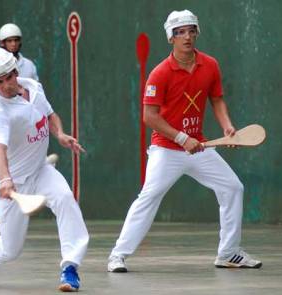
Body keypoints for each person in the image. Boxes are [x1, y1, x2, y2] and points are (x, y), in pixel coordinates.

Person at [107, 10, 262, 272]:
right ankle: (117, 255)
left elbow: (217, 99)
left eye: (191, 30)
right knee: (149, 195)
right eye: (180, 33)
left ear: (197, 33)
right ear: (171, 38)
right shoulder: (159, 73)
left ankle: (228, 252)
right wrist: (181, 137)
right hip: (166, 149)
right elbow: (149, 117)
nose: (187, 37)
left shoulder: (210, 65)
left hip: (199, 147)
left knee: (233, 188)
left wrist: (227, 128)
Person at [0, 48, 89, 292]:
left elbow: (49, 114)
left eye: (8, 77)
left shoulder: (34, 87)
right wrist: (5, 179)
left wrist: (60, 134)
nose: (4, 85)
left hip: (41, 170)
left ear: (16, 71)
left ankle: (70, 268)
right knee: (10, 250)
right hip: (13, 182)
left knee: (66, 199)